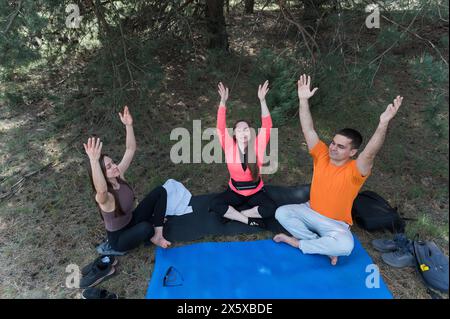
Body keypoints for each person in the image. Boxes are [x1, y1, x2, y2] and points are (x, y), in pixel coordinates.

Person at [274, 74, 403, 265]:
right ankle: (318, 245)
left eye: (340, 146)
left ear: (352, 152)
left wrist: (383, 123)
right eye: (333, 143)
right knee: (282, 213)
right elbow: (308, 130)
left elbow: (370, 153)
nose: (333, 148)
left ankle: (299, 243)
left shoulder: (356, 170)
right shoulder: (322, 154)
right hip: (309, 211)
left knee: (345, 247)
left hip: (335, 224)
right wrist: (303, 100)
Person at [84, 106, 171, 252]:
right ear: (102, 174)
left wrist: (128, 126)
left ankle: (158, 234)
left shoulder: (119, 174)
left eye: (112, 163)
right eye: (109, 167)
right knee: (145, 228)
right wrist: (93, 161)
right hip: (119, 239)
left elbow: (130, 149)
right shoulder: (104, 198)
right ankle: (150, 230)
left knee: (160, 191)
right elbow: (101, 188)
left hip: (131, 220)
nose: (114, 166)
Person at [210, 81, 277, 228]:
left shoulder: (257, 145)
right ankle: (247, 219)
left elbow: (267, 126)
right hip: (235, 192)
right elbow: (220, 128)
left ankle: (237, 215)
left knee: (272, 209)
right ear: (234, 134)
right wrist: (222, 101)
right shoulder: (228, 146)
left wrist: (262, 100)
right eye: (239, 130)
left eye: (246, 129)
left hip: (256, 193)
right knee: (214, 204)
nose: (243, 133)